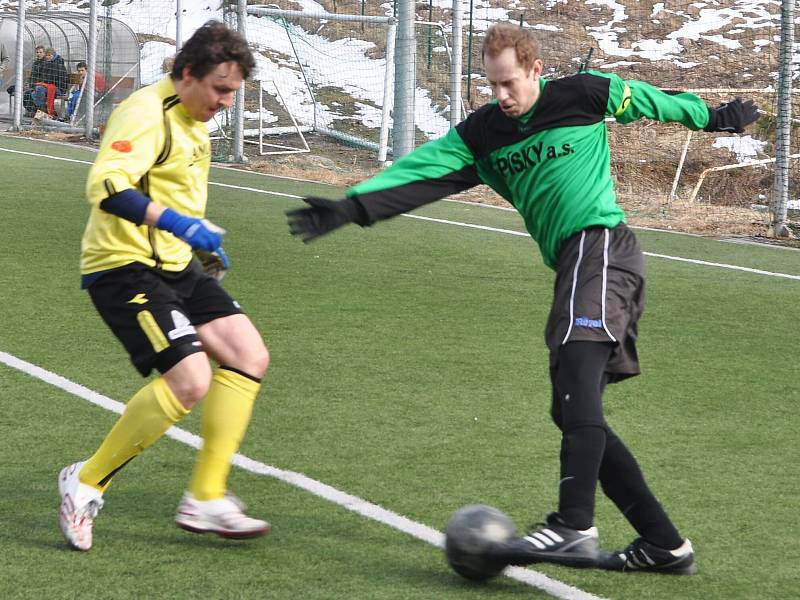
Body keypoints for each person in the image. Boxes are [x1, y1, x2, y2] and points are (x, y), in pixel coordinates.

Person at [286, 22, 758, 575]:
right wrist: (351, 206)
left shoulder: (582, 93)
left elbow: (648, 100)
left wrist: (712, 118)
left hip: (602, 248)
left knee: (576, 391)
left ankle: (573, 527)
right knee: (571, 406)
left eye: (509, 83)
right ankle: (663, 544)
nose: (502, 96)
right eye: (492, 86)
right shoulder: (484, 134)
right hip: (574, 267)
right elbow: (423, 169)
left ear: (535, 69)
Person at [58, 21, 269, 552]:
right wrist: (181, 225)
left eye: (233, 93)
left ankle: (205, 495)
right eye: (220, 89)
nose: (225, 101)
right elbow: (105, 186)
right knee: (191, 380)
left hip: (176, 265)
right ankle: (84, 483)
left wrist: (196, 241)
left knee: (248, 355)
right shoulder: (146, 113)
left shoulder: (196, 116)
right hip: (122, 265)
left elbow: (171, 187)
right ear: (187, 74)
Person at [30, 47, 68, 116]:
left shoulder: (58, 64)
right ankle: (42, 110)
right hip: (50, 86)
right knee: (33, 92)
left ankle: (43, 111)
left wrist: (43, 82)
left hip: (59, 88)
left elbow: (51, 79)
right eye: (46, 55)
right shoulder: (48, 63)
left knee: (39, 89)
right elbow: (46, 78)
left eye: (47, 55)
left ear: (52, 55)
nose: (46, 57)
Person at [21, 45, 47, 115]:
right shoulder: (35, 63)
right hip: (33, 85)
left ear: (44, 53)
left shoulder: (46, 63)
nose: (38, 54)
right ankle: (32, 111)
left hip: (41, 86)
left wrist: (35, 84)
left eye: (40, 52)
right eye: (37, 52)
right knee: (26, 94)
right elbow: (32, 75)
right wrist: (28, 83)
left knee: (32, 93)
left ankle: (38, 111)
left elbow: (45, 77)